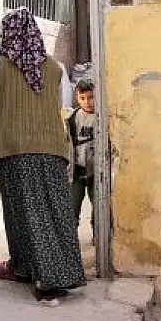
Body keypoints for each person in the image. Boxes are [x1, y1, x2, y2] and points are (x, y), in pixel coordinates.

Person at [0, 7, 87, 303]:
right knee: (54, 211)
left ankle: (41, 276)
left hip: (13, 149)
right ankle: (42, 270)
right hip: (52, 148)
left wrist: (11, 119)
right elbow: (62, 105)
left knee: (21, 212)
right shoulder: (55, 68)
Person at [68, 79, 96, 234]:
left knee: (99, 207)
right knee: (72, 206)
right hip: (77, 170)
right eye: (83, 98)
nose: (87, 102)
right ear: (77, 98)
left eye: (91, 97)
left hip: (96, 171)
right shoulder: (72, 118)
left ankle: (98, 236)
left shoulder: (102, 118)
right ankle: (70, 241)